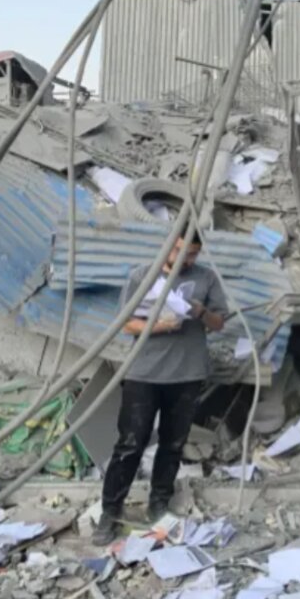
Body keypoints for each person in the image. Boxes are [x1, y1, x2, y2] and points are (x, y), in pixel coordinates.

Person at [93, 232, 227, 545]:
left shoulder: (206, 278)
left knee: (173, 443)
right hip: (144, 373)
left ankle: (159, 504)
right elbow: (126, 324)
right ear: (168, 246)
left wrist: (200, 312)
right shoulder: (142, 276)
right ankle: (110, 512)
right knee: (130, 443)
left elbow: (220, 323)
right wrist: (159, 326)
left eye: (192, 254)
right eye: (181, 252)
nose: (186, 260)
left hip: (187, 374)